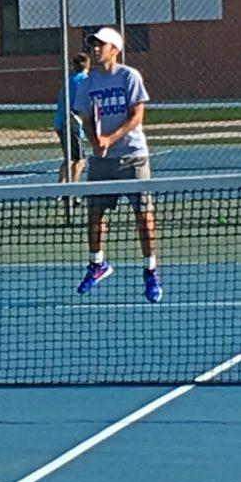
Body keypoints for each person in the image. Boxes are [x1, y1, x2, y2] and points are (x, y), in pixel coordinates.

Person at [72, 27, 161, 303]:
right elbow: (86, 119)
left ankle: (150, 272)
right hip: (102, 161)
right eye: (92, 45)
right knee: (95, 214)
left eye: (100, 44)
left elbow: (137, 116)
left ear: (115, 49)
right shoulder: (87, 82)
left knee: (144, 217)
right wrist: (95, 140)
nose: (95, 49)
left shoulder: (129, 76)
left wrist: (111, 137)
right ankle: (97, 264)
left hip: (133, 156)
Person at [53, 52, 91, 187]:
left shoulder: (69, 79)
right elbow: (81, 105)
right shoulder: (84, 80)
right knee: (80, 159)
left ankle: (61, 188)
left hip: (60, 122)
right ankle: (73, 189)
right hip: (72, 122)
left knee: (69, 158)